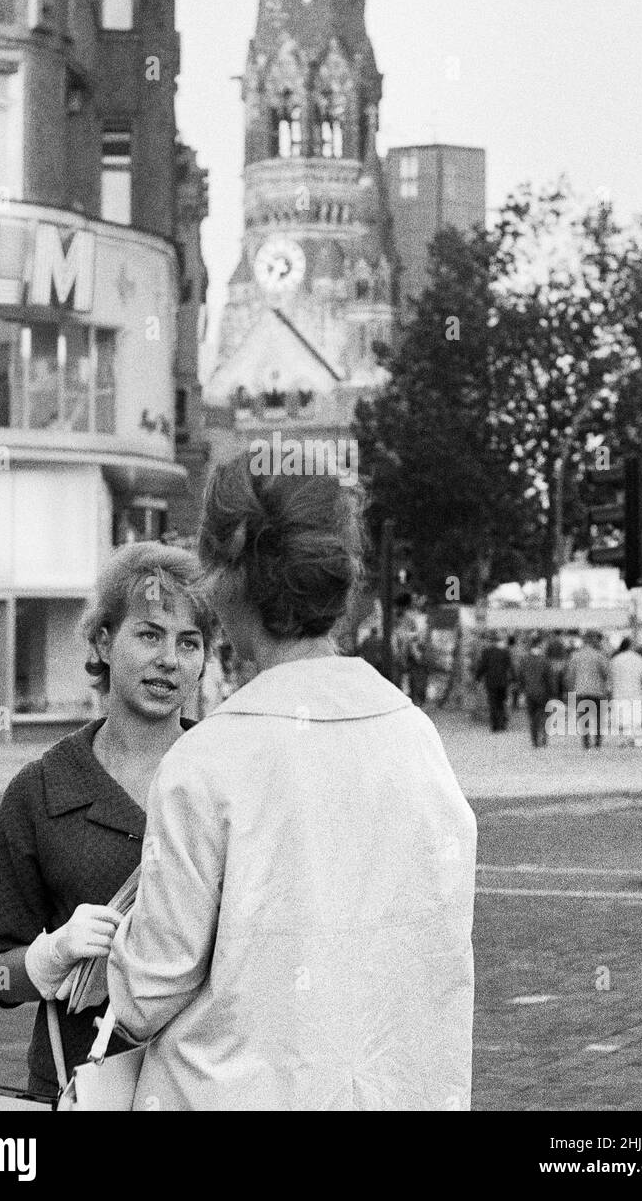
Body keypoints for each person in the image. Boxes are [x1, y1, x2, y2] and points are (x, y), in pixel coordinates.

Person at [107, 453, 477, 1111]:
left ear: (223, 579)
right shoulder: (415, 736)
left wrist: (99, 948)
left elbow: (145, 997)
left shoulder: (206, 760)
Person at [0, 543, 211, 1097]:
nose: (170, 660)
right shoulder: (39, 790)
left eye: (189, 642)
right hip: (79, 1085)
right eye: (149, 634)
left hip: (203, 1084)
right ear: (103, 641)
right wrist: (48, 954)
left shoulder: (233, 775)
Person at [565, 630, 610, 749]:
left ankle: (586, 743)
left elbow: (570, 675)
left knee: (584, 718)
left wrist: (571, 690)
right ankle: (598, 743)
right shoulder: (599, 655)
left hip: (581, 690)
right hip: (597, 691)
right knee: (599, 717)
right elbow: (606, 673)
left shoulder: (575, 655)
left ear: (584, 641)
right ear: (594, 640)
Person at [610, 638, 642, 745]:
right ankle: (633, 738)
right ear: (631, 646)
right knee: (635, 717)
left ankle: (622, 739)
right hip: (635, 692)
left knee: (621, 717)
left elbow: (610, 676)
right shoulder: (639, 659)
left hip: (619, 692)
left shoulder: (616, 659)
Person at [518, 635, 553, 747]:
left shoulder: (524, 660)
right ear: (539, 645)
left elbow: (520, 677)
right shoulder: (545, 660)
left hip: (529, 692)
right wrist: (553, 693)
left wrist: (522, 690)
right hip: (543, 693)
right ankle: (543, 736)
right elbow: (549, 679)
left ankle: (534, 740)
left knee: (532, 717)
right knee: (543, 716)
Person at [474, 632, 512, 732]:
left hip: (491, 682)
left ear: (491, 642)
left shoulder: (486, 652)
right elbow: (510, 667)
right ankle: (503, 724)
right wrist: (514, 679)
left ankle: (495, 725)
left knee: (493, 703)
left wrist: (477, 677)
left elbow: (482, 666)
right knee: (502, 702)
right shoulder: (505, 652)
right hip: (503, 682)